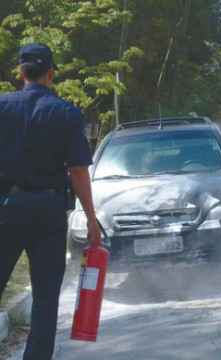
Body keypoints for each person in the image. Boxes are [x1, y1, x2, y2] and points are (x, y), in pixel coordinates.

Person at [0, 43, 101, 359]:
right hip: (48, 212)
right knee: (45, 297)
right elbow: (78, 171)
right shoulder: (67, 113)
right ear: (51, 75)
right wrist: (91, 218)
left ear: (20, 73)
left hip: (6, 210)